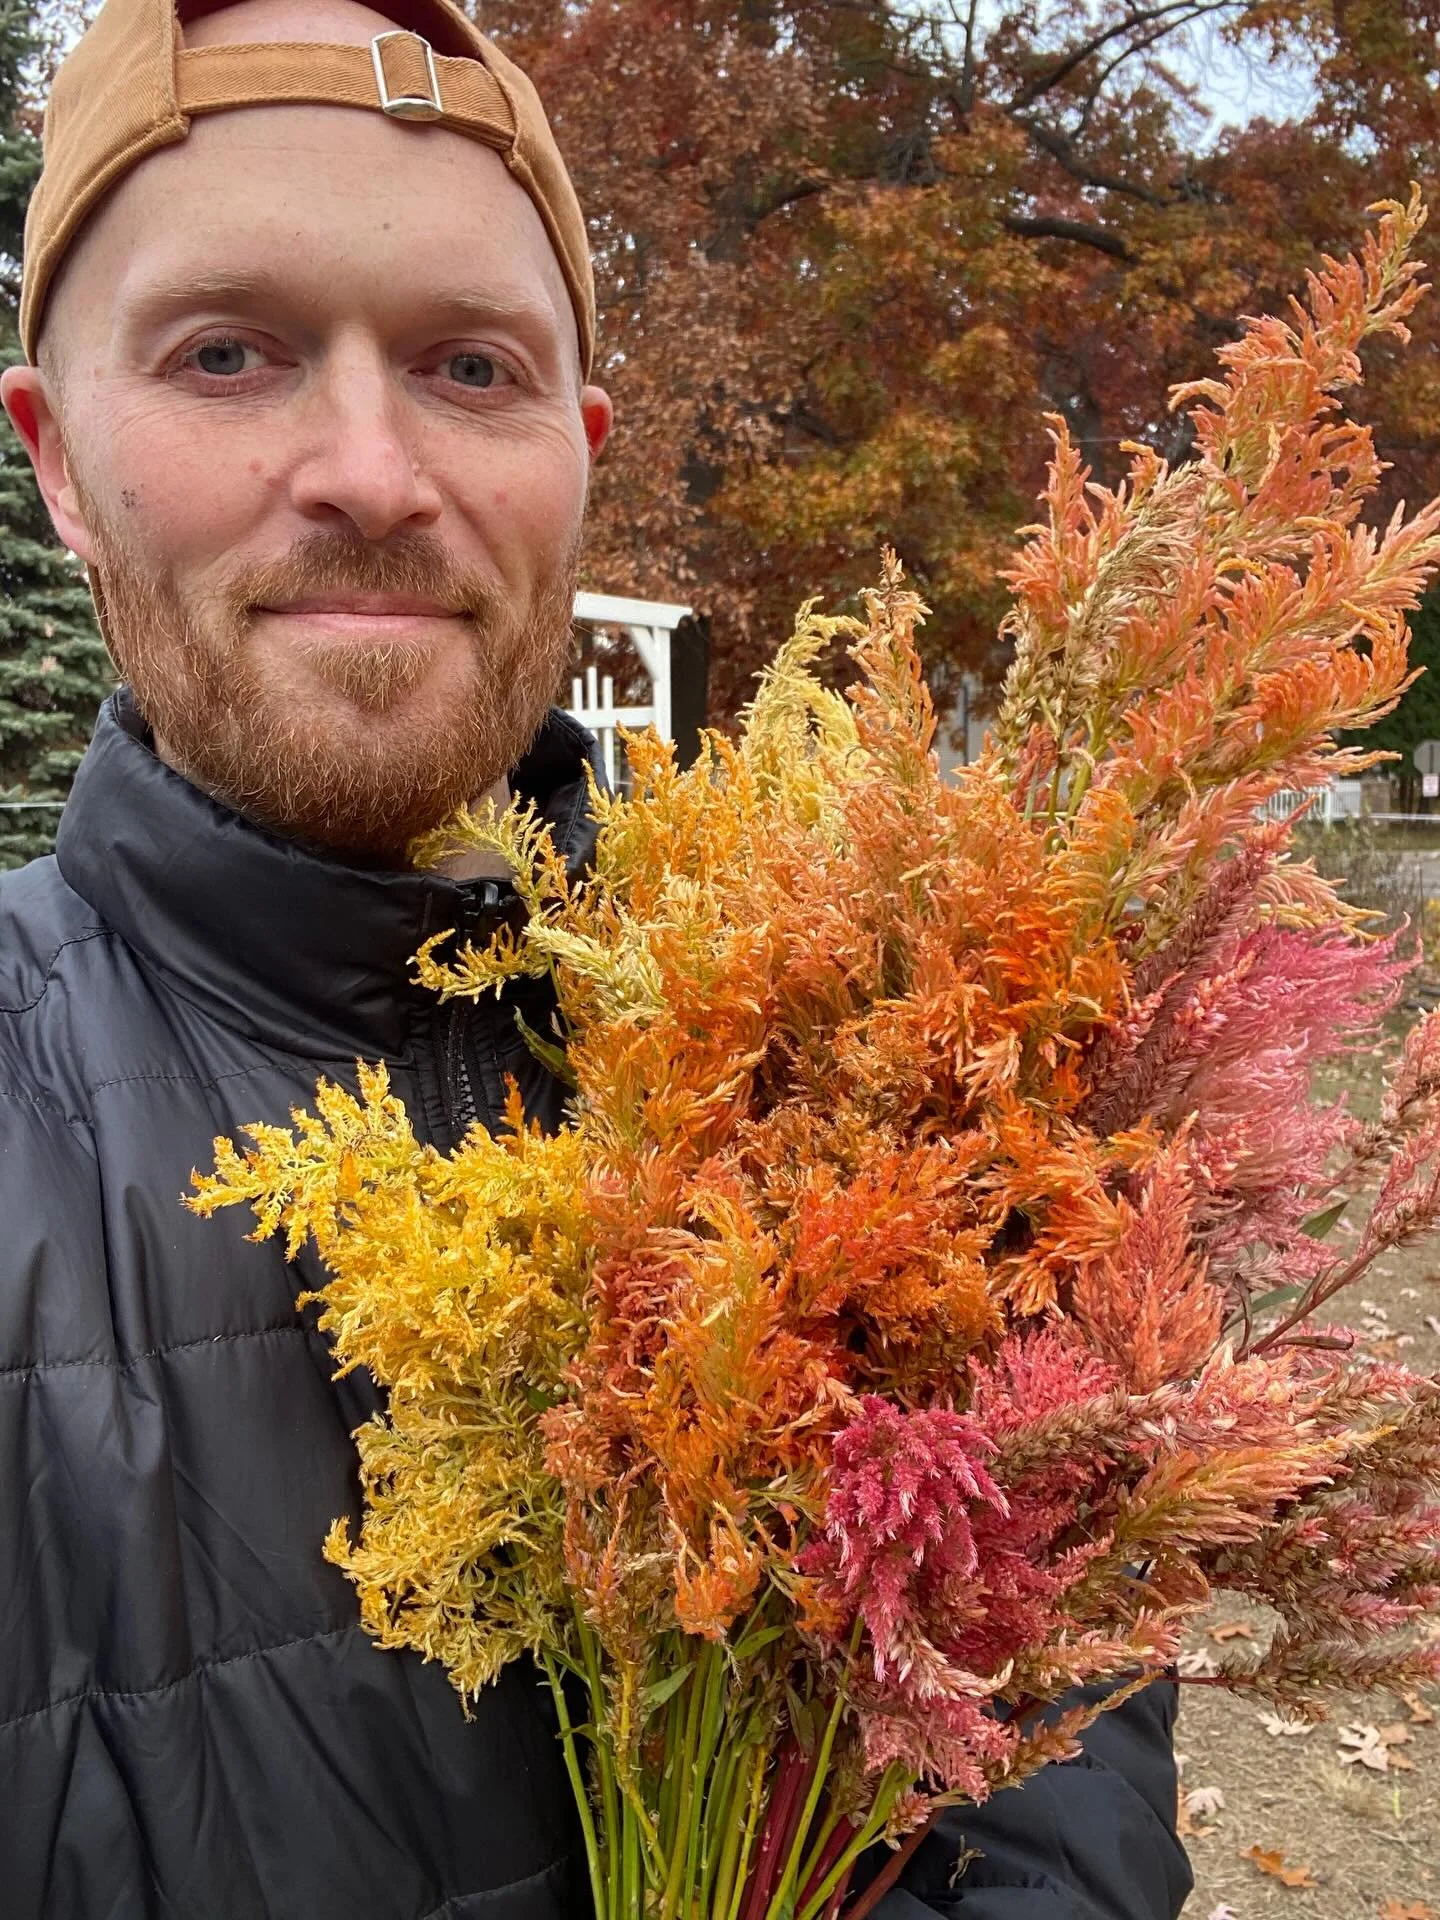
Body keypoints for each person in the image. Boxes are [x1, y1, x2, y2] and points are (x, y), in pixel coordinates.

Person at [0, 1, 1194, 1914]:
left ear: (579, 449)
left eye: (471, 367)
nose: (371, 471)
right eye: (229, 353)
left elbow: (1049, 1728)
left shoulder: (879, 1053)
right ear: (57, 460)